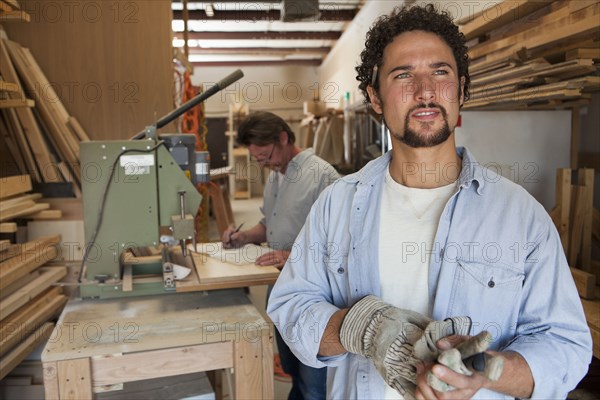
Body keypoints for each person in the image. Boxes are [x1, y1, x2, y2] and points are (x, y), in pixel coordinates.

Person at [267, 4, 592, 400]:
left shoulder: (521, 217)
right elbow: (291, 308)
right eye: (403, 75)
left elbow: (566, 345)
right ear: (375, 97)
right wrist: (364, 329)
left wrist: (488, 371)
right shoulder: (337, 205)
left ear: (461, 90)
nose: (425, 91)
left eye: (440, 72)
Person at [222, 110, 340, 399]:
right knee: (290, 365)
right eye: (257, 159)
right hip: (280, 288)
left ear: (283, 138)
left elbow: (341, 242)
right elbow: (269, 224)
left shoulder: (322, 176)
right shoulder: (277, 176)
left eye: (264, 155)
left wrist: (292, 257)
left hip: (314, 295)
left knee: (313, 379)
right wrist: (244, 237)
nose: (262, 164)